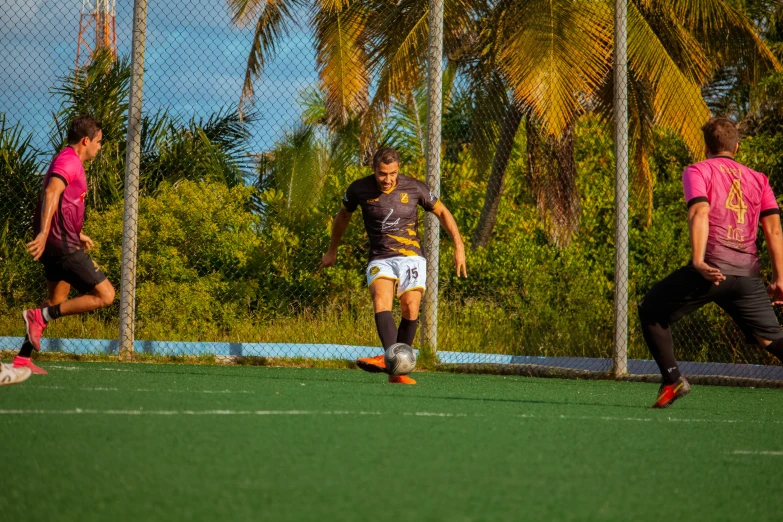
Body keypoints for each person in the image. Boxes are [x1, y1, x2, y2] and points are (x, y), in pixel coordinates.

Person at [638, 117, 783, 408]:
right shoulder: (759, 179)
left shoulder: (697, 170)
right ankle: (671, 382)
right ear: (737, 147)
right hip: (747, 276)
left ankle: (672, 380)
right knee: (770, 341)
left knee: (651, 310)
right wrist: (780, 279)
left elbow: (700, 212)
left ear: (706, 147)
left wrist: (698, 260)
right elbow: (774, 230)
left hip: (712, 271)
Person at [320, 147, 467, 384]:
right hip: (380, 257)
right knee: (381, 299)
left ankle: (396, 367)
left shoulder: (415, 187)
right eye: (382, 174)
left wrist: (458, 246)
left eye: (392, 174)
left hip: (411, 257)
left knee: (410, 307)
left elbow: (441, 211)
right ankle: (393, 364)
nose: (387, 179)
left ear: (398, 170)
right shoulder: (358, 189)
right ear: (374, 170)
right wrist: (332, 249)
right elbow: (343, 216)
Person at [13, 115, 116, 375]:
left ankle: (23, 358)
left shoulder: (67, 159)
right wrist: (45, 233)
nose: (99, 147)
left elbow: (62, 202)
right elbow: (50, 193)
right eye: (99, 141)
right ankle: (41, 317)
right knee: (106, 296)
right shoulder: (70, 161)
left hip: (61, 241)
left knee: (54, 300)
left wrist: (75, 232)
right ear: (86, 140)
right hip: (61, 246)